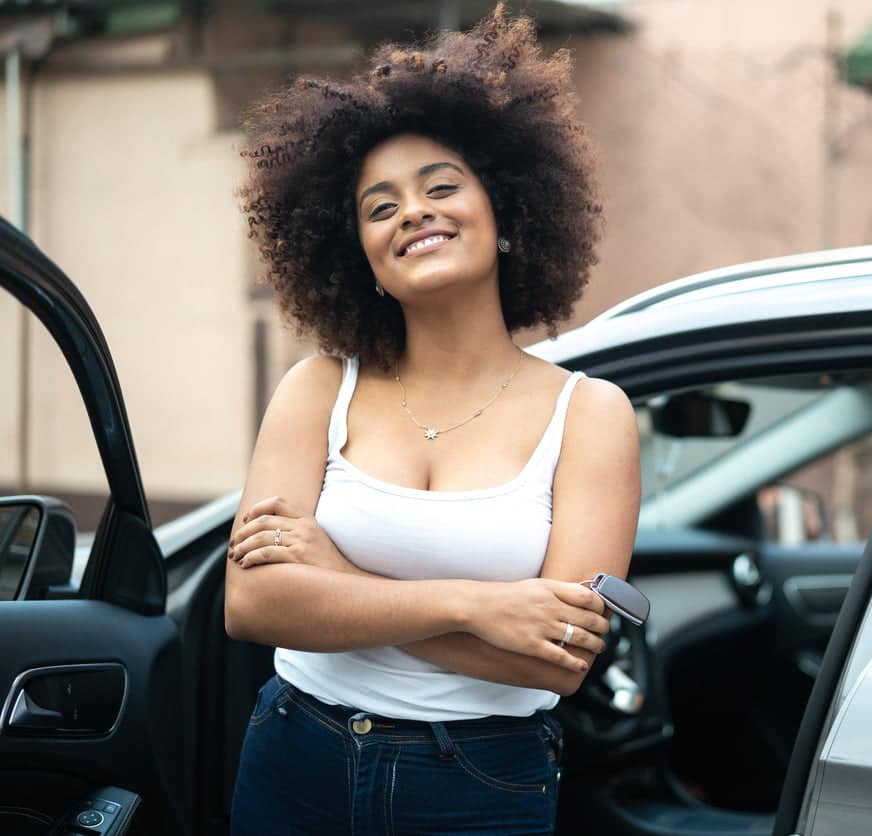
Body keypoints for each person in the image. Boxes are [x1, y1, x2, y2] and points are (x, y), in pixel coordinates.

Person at [223, 7, 640, 834]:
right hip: (296, 751)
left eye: (441, 187)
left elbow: (557, 662)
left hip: (480, 781)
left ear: (507, 213)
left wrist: (335, 582)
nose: (413, 211)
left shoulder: (588, 413)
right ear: (360, 259)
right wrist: (479, 607)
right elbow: (253, 604)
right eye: (380, 207)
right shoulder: (317, 390)